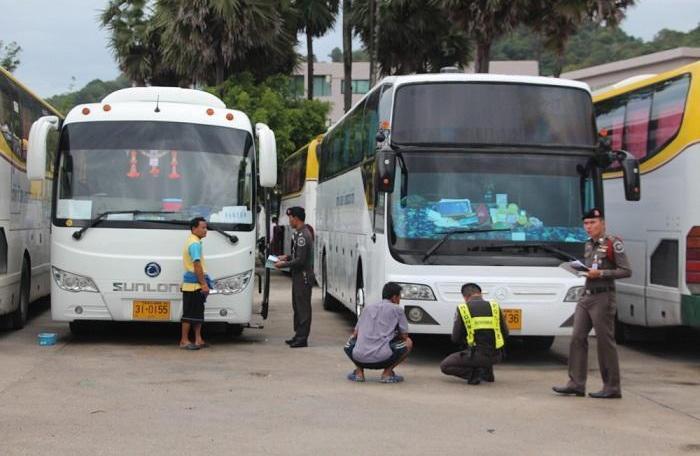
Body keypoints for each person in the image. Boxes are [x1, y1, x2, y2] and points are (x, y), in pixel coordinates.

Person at [553, 208, 631, 399]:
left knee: (605, 342)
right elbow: (591, 267)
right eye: (586, 224)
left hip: (603, 296)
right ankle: (576, 384)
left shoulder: (613, 243)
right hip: (586, 295)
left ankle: (612, 386)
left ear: (602, 223)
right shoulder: (588, 244)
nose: (589, 227)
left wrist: (601, 274)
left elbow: (626, 270)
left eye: (593, 223)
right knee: (577, 338)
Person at [440, 283, 509, 385]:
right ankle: (487, 372)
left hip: (477, 355)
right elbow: (505, 333)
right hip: (497, 355)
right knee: (483, 350)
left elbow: (455, 338)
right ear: (480, 294)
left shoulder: (463, 309)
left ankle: (475, 374)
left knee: (445, 366)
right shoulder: (494, 306)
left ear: (465, 297)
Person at [345, 282, 413, 383]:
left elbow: (355, 334)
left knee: (350, 342)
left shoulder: (367, 308)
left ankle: (359, 373)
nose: (399, 300)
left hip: (359, 357)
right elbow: (404, 336)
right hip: (383, 358)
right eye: (399, 297)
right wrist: (393, 334)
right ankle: (387, 373)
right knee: (408, 342)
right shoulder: (397, 310)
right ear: (394, 297)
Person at [275, 206, 314, 348]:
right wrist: (287, 257)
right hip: (298, 276)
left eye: (290, 218)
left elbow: (301, 260)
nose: (289, 221)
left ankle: (302, 338)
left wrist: (283, 264)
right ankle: (298, 335)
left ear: (296, 218)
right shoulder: (299, 234)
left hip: (303, 276)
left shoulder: (303, 235)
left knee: (303, 308)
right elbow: (298, 256)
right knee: (297, 306)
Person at [179, 217, 211, 350]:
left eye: (206, 227)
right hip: (193, 286)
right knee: (189, 315)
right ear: (194, 229)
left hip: (194, 284)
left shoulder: (193, 241)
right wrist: (204, 284)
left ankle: (198, 339)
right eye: (203, 228)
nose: (205, 230)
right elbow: (197, 265)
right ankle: (184, 340)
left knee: (198, 314)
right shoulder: (195, 244)